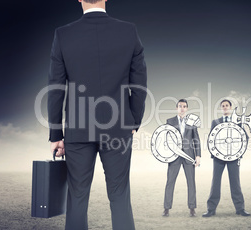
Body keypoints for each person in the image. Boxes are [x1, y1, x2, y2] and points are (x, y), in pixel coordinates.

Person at [47, 0, 147, 229]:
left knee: (77, 198)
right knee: (120, 196)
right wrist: (133, 120)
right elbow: (139, 83)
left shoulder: (63, 35)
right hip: (118, 127)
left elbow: (55, 89)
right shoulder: (128, 31)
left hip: (78, 130)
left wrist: (56, 134)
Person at [202, 99, 250, 217]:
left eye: (226, 105)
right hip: (218, 157)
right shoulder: (215, 122)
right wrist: (214, 153)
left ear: (231, 107)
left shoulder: (237, 121)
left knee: (235, 182)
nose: (224, 107)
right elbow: (211, 139)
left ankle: (240, 209)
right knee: (215, 182)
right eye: (222, 106)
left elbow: (245, 137)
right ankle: (211, 209)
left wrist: (238, 152)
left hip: (234, 157)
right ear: (221, 108)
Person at [162, 99, 201, 217]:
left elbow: (196, 140)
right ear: (176, 108)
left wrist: (198, 155)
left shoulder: (192, 122)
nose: (182, 108)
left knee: (191, 182)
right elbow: (166, 139)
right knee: (170, 182)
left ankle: (192, 208)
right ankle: (166, 208)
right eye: (180, 106)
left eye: (184, 106)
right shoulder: (170, 121)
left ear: (187, 108)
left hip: (189, 156)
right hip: (174, 157)